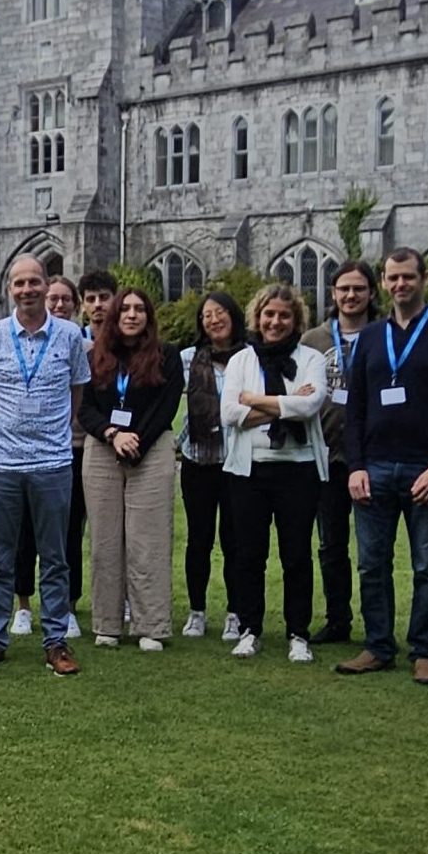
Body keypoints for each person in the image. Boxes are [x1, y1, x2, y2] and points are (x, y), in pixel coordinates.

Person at [336, 249, 428, 687]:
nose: (401, 285)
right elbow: (354, 406)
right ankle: (378, 646)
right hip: (374, 468)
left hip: (426, 467)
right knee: (371, 564)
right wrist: (355, 465)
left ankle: (424, 649)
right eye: (393, 278)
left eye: (408, 277)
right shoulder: (372, 337)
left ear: (424, 279)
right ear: (384, 282)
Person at [0, 255, 90, 677]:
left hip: (53, 463)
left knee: (55, 557)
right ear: (9, 289)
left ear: (45, 285)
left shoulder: (70, 335)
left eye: (34, 282)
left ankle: (56, 641)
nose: (27, 290)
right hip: (1, 463)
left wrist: (47, 431)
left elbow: (77, 394)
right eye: (19, 283)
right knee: (1, 557)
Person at [218, 284, 330, 663]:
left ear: (296, 319)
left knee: (296, 555)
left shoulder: (312, 358)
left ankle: (298, 633)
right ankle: (250, 629)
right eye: (269, 314)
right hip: (249, 472)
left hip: (298, 470)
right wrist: (285, 404)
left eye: (284, 315)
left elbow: (312, 405)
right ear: (257, 317)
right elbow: (230, 414)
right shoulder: (241, 361)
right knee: (250, 554)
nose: (275, 321)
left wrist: (254, 401)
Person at [80, 288, 182, 650]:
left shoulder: (167, 356)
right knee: (105, 540)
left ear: (148, 318)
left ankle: (151, 625)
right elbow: (85, 407)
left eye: (140, 309)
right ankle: (107, 623)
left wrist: (135, 439)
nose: (132, 315)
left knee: (148, 540)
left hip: (150, 448)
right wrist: (112, 434)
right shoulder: (95, 357)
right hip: (104, 447)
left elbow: (167, 406)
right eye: (125, 309)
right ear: (114, 316)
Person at [7, 271, 89, 639]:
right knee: (23, 535)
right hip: (19, 452)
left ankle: (66, 607)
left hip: (65, 452)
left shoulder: (77, 342)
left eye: (64, 299)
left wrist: (61, 425)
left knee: (66, 534)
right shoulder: (8, 338)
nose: (57, 304)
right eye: (52, 298)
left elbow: (79, 395)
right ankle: (22, 606)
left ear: (74, 304)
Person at [178, 291, 247, 640]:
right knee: (199, 539)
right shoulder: (189, 358)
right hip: (198, 459)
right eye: (207, 315)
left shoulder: (250, 358)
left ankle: (236, 613)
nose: (214, 320)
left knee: (234, 540)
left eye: (220, 312)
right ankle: (197, 611)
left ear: (233, 316)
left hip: (237, 461)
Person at [313, 262, 374, 645]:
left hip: (372, 456)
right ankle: (338, 620)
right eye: (343, 289)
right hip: (325, 455)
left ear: (371, 292)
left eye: (358, 288)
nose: (350, 295)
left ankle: (377, 627)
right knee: (330, 544)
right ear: (333, 293)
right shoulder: (313, 339)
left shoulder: (385, 335)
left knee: (372, 550)